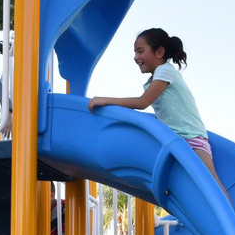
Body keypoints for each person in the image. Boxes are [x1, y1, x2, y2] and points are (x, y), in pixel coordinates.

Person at [88, 28, 223, 190]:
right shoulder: (158, 76)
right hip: (175, 139)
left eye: (140, 51)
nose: (136, 57)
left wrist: (105, 100)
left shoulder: (165, 71)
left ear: (159, 52)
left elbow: (142, 102)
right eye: (135, 52)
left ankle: (230, 215)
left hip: (192, 139)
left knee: (212, 184)